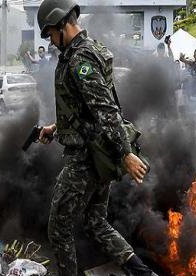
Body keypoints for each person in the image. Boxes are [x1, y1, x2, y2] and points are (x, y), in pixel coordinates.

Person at [35, 1, 156, 275]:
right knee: (96, 221)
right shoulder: (87, 50)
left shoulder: (80, 60)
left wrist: (126, 155)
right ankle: (143, 273)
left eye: (50, 34)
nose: (51, 41)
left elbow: (105, 110)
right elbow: (84, 107)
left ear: (62, 24)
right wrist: (56, 128)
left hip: (86, 159)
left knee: (59, 229)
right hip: (98, 153)